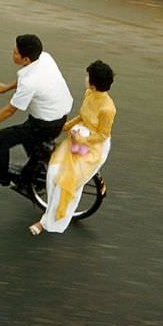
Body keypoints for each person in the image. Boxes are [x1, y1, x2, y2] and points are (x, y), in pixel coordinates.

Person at [0, 34, 73, 198]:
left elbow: (10, 110)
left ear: (25, 59)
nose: (13, 52)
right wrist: (6, 88)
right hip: (58, 115)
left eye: (16, 52)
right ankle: (36, 171)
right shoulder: (44, 58)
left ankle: (1, 176)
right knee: (30, 143)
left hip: (44, 124)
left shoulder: (30, 82)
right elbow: (25, 77)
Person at [29, 60, 116, 236]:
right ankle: (50, 209)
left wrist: (83, 140)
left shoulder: (108, 109)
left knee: (65, 182)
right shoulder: (89, 94)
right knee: (52, 173)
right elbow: (82, 116)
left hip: (93, 147)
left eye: (87, 77)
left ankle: (46, 222)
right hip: (78, 137)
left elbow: (102, 135)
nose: (85, 78)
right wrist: (64, 126)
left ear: (93, 83)